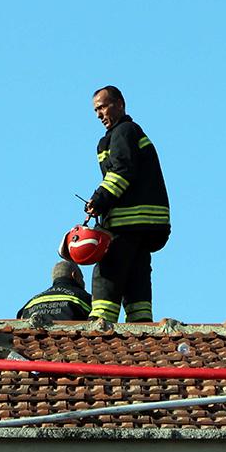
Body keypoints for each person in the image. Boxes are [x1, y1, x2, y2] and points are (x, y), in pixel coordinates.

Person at [84, 86, 171, 322]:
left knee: (108, 269)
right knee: (137, 274)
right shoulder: (132, 133)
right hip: (147, 226)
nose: (99, 114)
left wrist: (99, 199)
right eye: (96, 110)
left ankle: (100, 323)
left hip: (126, 221)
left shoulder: (123, 132)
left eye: (103, 107)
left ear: (120, 104)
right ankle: (141, 324)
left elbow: (122, 171)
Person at [17, 260, 92, 321]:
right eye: (82, 278)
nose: (84, 282)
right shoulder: (86, 298)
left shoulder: (30, 303)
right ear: (74, 275)